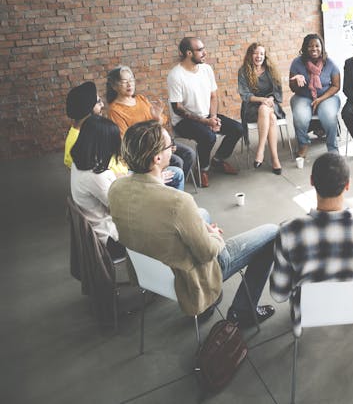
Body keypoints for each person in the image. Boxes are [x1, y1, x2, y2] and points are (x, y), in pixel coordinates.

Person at [109, 120, 277, 326]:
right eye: (171, 146)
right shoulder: (178, 202)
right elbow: (207, 253)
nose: (175, 149)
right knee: (273, 233)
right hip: (188, 277)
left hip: (150, 271)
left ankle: (209, 305)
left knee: (202, 213)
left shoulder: (116, 187)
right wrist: (213, 234)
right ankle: (243, 311)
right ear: (157, 158)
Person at [269, 152, 353, 335]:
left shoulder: (288, 232)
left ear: (312, 181)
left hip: (307, 315)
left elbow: (279, 293)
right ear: (348, 184)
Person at [168, 37, 242, 188]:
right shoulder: (176, 75)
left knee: (238, 129)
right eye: (200, 50)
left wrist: (213, 118)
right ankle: (203, 169)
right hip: (184, 121)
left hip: (207, 115)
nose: (205, 53)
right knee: (208, 137)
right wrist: (205, 122)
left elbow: (213, 96)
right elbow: (178, 108)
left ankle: (218, 160)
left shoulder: (206, 69)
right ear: (189, 53)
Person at [106, 65, 196, 182]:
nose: (129, 84)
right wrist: (162, 148)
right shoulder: (115, 110)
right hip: (143, 151)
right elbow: (126, 140)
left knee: (189, 154)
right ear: (114, 85)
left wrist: (157, 118)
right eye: (124, 81)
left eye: (131, 80)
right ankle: (161, 187)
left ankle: (174, 185)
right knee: (177, 161)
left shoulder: (140, 99)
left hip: (159, 141)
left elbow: (162, 121)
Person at [69, 115, 127, 260]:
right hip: (110, 240)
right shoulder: (95, 176)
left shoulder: (79, 162)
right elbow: (121, 210)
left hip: (97, 227)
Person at [289, 33, 341, 158]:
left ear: (321, 47)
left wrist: (320, 99)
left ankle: (332, 148)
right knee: (300, 116)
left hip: (326, 96)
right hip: (303, 96)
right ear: (305, 48)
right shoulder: (297, 63)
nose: (314, 49)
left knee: (329, 115)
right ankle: (303, 144)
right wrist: (295, 80)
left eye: (317, 46)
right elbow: (292, 88)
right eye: (310, 46)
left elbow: (336, 86)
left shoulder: (329, 63)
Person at [238, 42, 285, 175]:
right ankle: (274, 159)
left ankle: (260, 152)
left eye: (262, 53)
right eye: (255, 53)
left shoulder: (271, 70)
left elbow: (278, 92)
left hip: (271, 104)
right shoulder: (243, 71)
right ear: (250, 55)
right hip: (251, 107)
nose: (259, 56)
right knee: (269, 115)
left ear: (265, 56)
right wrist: (262, 100)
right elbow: (245, 95)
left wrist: (269, 100)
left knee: (266, 110)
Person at [64, 81, 105, 168]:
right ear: (88, 109)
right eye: (98, 102)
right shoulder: (77, 142)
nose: (103, 105)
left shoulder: (86, 131)